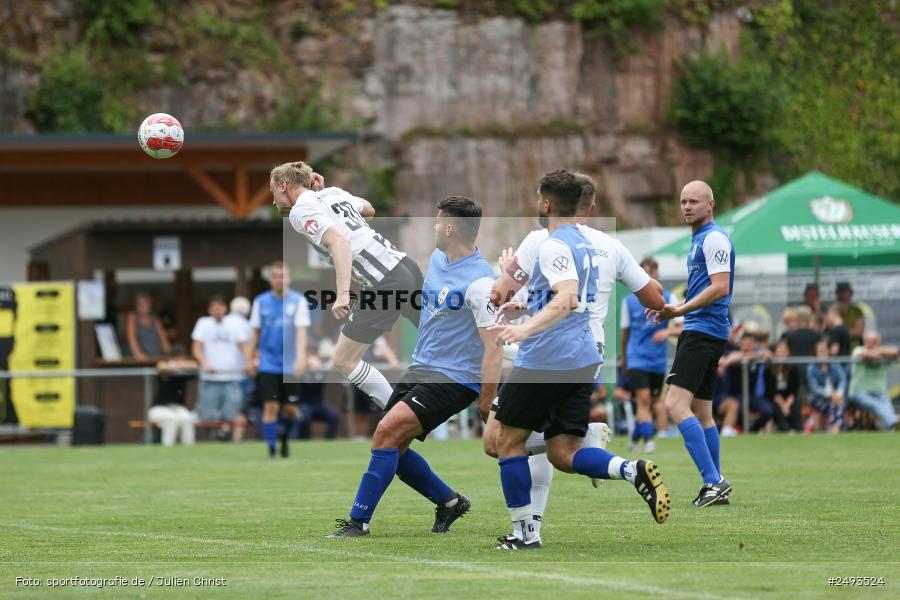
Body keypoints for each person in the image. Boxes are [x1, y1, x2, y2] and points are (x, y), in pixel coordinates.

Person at [489, 169, 669, 550]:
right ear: (588, 205)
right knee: (562, 452)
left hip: (548, 355)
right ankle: (628, 468)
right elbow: (648, 294)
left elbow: (565, 297)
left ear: (547, 203)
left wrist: (521, 322)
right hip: (587, 355)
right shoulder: (601, 244)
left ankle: (524, 534)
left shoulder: (546, 242)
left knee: (502, 441)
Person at [327, 196, 503, 538]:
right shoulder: (438, 258)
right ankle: (449, 501)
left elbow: (493, 345)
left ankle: (358, 522)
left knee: (385, 434)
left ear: (450, 229)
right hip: (421, 369)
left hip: (453, 380)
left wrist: (486, 398)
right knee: (395, 447)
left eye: (438, 222)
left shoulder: (480, 281)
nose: (434, 227)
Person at [270, 162, 423, 410]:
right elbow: (370, 210)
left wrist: (343, 293)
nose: (274, 201)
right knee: (441, 335)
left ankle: (401, 414)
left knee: (343, 360)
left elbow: (340, 242)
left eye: (273, 192)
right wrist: (325, 191)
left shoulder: (300, 211)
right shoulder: (333, 193)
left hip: (385, 280)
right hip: (405, 266)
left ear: (284, 185)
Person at [647, 180, 734, 508]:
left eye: (694, 201)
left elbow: (720, 286)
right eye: (683, 201)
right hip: (706, 330)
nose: (686, 206)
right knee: (702, 412)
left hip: (702, 332)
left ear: (711, 204)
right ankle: (715, 485)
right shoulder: (700, 238)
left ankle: (714, 481)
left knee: (674, 406)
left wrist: (679, 311)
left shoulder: (713, 238)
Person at [244, 261, 311, 459]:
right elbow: (254, 332)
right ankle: (272, 450)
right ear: (270, 279)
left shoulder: (298, 301)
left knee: (291, 410)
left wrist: (301, 357)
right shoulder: (260, 302)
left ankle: (283, 437)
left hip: (290, 364)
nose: (279, 279)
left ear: (289, 279)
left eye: (283, 276)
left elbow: (301, 331)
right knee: (270, 406)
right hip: (267, 363)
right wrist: (249, 358)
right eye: (275, 276)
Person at [621, 257, 682, 453]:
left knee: (655, 402)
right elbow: (625, 333)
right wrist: (624, 359)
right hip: (637, 358)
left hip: (657, 360)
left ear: (657, 274)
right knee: (644, 400)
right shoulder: (629, 302)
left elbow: (681, 327)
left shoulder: (669, 298)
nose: (647, 275)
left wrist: (667, 331)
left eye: (651, 272)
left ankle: (635, 438)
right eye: (643, 272)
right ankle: (648, 440)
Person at [191, 295, 250, 440]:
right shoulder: (203, 323)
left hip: (232, 377)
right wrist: (205, 364)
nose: (217, 310)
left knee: (231, 414)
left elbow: (244, 346)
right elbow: (196, 348)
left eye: (220, 307)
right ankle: (211, 440)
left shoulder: (235, 324)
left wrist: (249, 362)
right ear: (209, 310)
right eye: (214, 307)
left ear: (226, 309)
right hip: (210, 378)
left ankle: (225, 437)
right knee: (208, 415)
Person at [719, 332, 773, 433]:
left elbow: (769, 355)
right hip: (734, 395)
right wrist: (750, 356)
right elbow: (730, 359)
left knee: (768, 410)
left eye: (750, 344)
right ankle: (735, 430)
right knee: (738, 410)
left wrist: (759, 354)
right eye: (744, 344)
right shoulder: (734, 353)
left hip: (750, 395)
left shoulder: (757, 355)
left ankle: (753, 430)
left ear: (754, 344)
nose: (747, 346)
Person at [847, 331, 898, 430]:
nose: (869, 343)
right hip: (859, 392)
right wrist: (882, 354)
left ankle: (891, 427)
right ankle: (892, 422)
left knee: (885, 403)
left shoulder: (883, 352)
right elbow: (865, 355)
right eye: (867, 340)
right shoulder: (858, 350)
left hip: (879, 393)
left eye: (873, 341)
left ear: (878, 342)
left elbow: (896, 351)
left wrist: (880, 351)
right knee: (874, 404)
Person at [147, 350, 198, 446]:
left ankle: (189, 450)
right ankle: (168, 449)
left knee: (187, 419)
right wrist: (175, 366)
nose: (179, 361)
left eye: (181, 358)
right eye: (176, 358)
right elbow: (161, 366)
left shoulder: (184, 373)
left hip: (178, 408)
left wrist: (176, 366)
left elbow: (194, 365)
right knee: (172, 419)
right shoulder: (164, 368)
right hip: (159, 408)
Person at [806, 340, 848, 433]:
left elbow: (843, 380)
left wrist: (839, 393)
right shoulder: (811, 368)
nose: (822, 354)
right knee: (836, 406)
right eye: (820, 351)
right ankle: (836, 427)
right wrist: (829, 394)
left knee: (838, 403)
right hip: (818, 399)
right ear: (816, 353)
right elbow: (815, 388)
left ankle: (834, 427)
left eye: (824, 351)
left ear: (828, 352)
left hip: (836, 398)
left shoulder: (835, 365)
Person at [297, 352, 341, 439]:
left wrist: (319, 365)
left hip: (319, 404)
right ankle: (305, 442)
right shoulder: (302, 370)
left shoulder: (322, 370)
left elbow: (332, 361)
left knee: (334, 417)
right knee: (304, 419)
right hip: (304, 404)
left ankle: (328, 441)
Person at [766, 340, 802, 432]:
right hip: (776, 398)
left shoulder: (793, 369)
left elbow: (794, 389)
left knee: (795, 405)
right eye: (779, 351)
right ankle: (786, 429)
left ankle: (798, 428)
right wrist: (783, 405)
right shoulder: (768, 369)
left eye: (784, 351)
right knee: (777, 408)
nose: (782, 353)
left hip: (789, 397)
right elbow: (771, 391)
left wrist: (787, 404)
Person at [125, 293, 170, 360]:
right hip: (139, 360)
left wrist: (168, 356)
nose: (144, 306)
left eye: (146, 303)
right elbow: (131, 337)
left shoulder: (155, 319)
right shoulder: (132, 317)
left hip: (156, 358)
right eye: (141, 304)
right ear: (136, 306)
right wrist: (138, 354)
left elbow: (163, 339)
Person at [828, 282, 865, 348]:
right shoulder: (832, 309)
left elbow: (858, 332)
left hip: (853, 348)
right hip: (837, 349)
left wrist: (841, 335)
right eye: (841, 291)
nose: (843, 294)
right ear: (837, 293)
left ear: (850, 293)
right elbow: (829, 327)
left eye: (845, 291)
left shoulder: (857, 311)